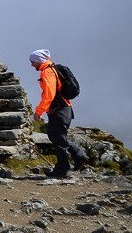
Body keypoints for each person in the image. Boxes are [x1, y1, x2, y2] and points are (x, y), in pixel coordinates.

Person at [30, 49, 88, 178]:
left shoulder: (48, 72)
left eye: (33, 61)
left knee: (57, 137)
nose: (32, 65)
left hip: (59, 110)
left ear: (39, 60)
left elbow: (49, 95)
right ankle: (78, 156)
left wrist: (38, 112)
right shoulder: (52, 69)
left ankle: (63, 169)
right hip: (63, 109)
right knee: (58, 136)